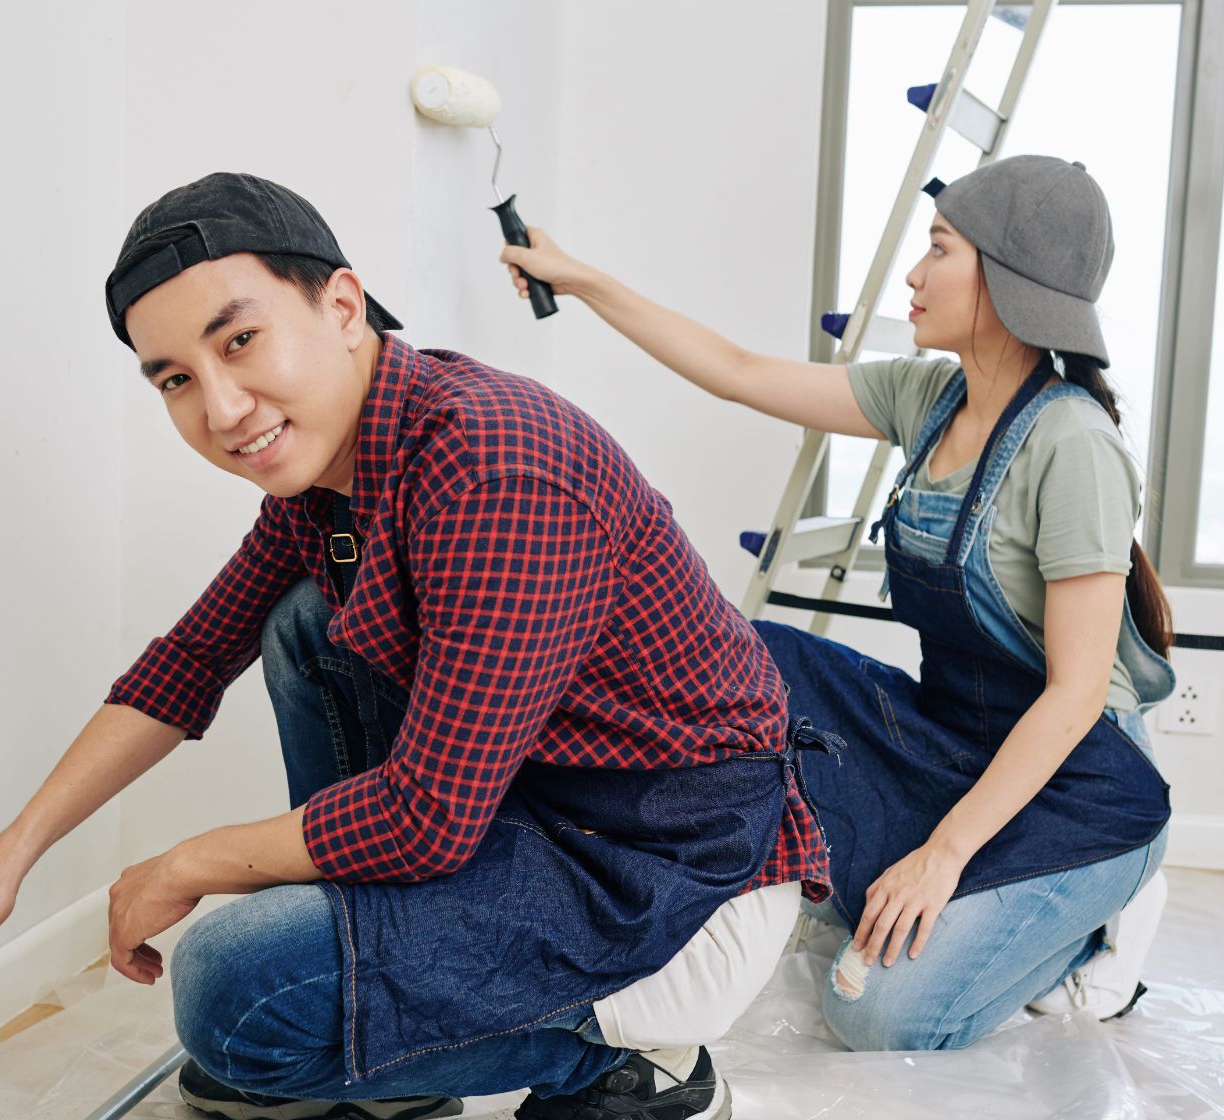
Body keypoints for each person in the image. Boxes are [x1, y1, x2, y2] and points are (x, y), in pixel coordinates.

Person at [0, 172, 831, 1120]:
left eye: (237, 341)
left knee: (233, 997)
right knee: (307, 624)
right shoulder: (338, 467)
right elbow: (188, 660)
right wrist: (9, 857)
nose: (220, 407)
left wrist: (183, 863)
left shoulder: (491, 463)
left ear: (341, 307)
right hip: (537, 804)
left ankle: (641, 1071)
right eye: (174, 379)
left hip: (670, 867)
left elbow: (426, 818)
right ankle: (415, 1038)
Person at [500, 155, 1174, 1052]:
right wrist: (582, 280)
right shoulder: (928, 397)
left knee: (875, 1014)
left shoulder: (1074, 446)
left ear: (1005, 280)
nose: (913, 274)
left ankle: (1100, 921)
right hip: (956, 739)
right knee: (749, 660)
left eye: (938, 250)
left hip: (1078, 780)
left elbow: (1076, 693)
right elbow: (737, 371)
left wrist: (942, 856)